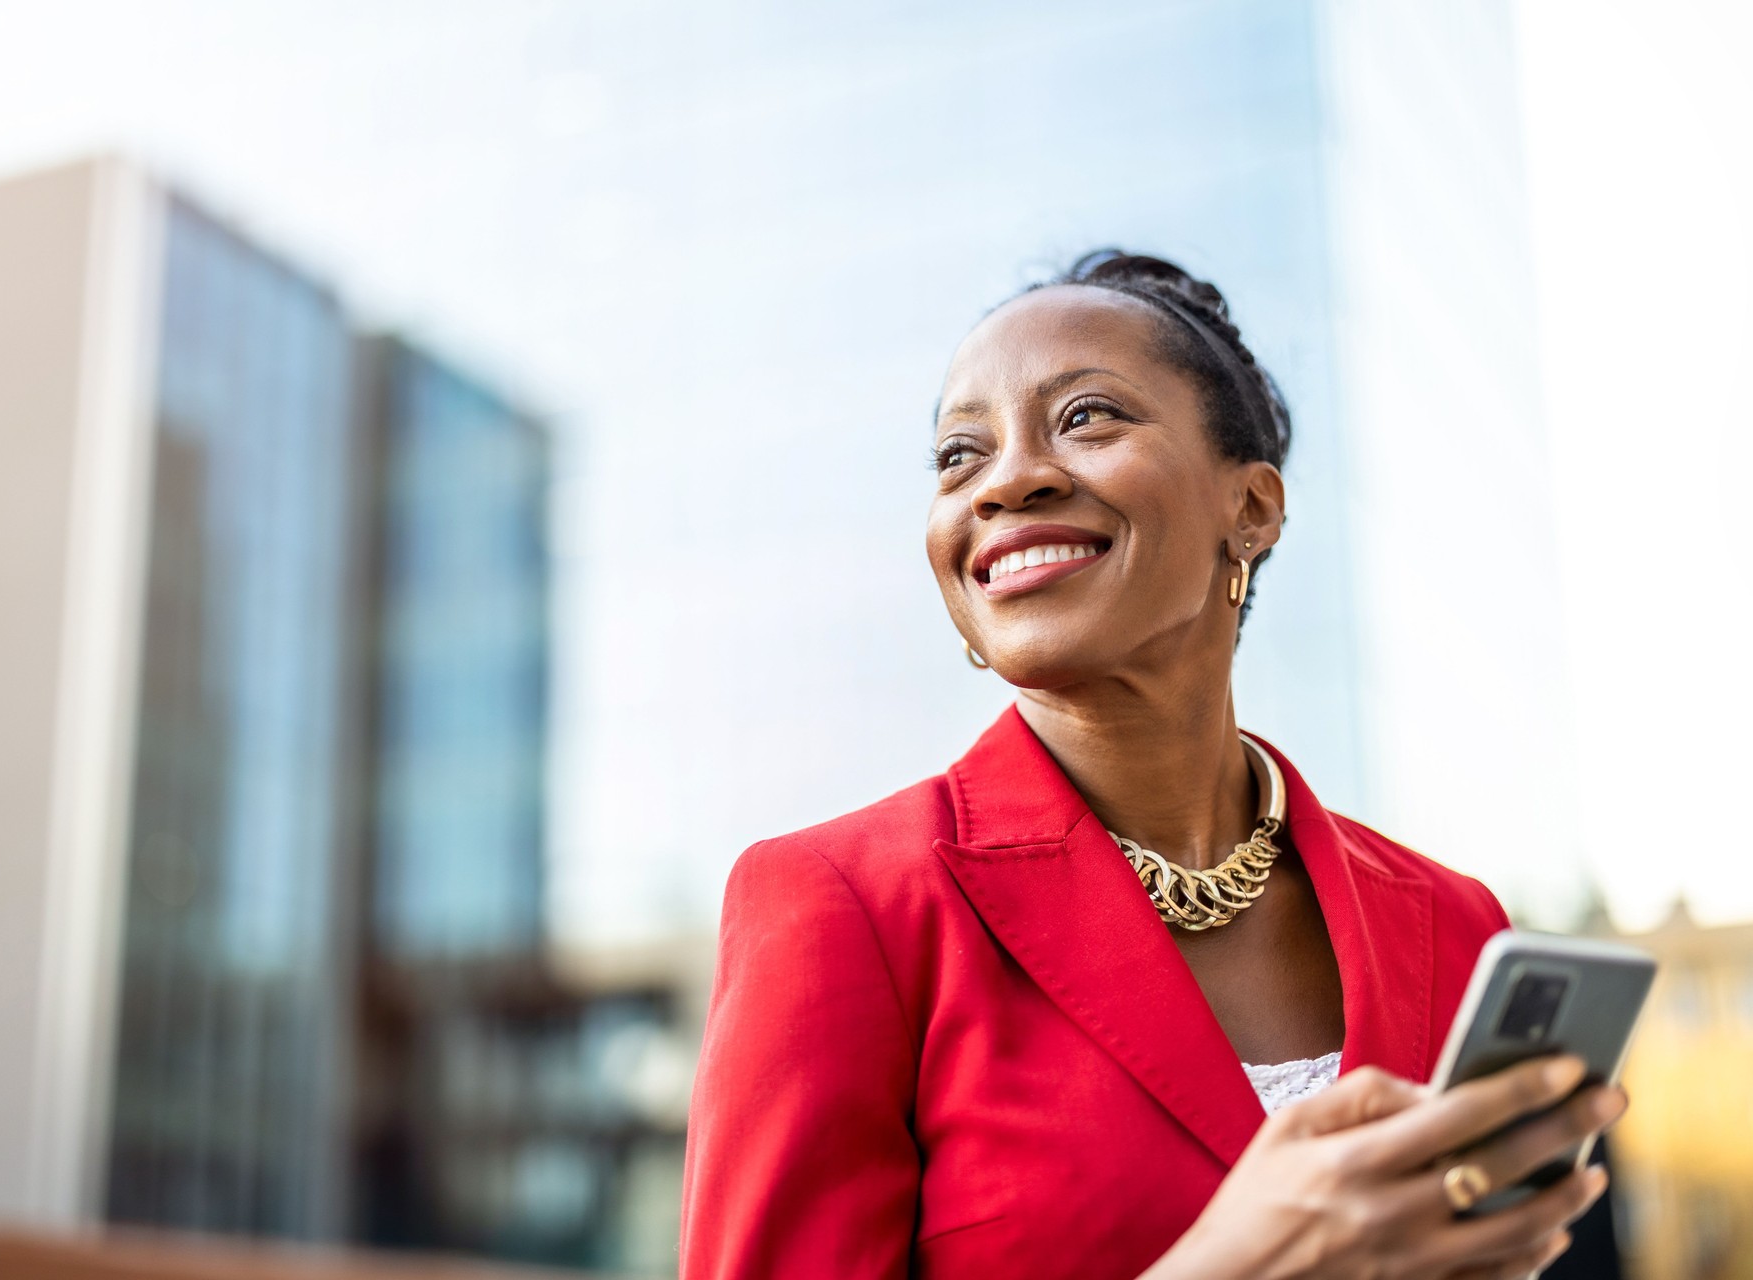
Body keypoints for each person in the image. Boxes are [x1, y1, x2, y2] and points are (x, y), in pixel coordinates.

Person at [678, 251, 1626, 1279]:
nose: (1008, 477)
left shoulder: (1459, 927)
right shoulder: (839, 907)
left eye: (1086, 416)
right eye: (960, 452)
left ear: (1252, 510)